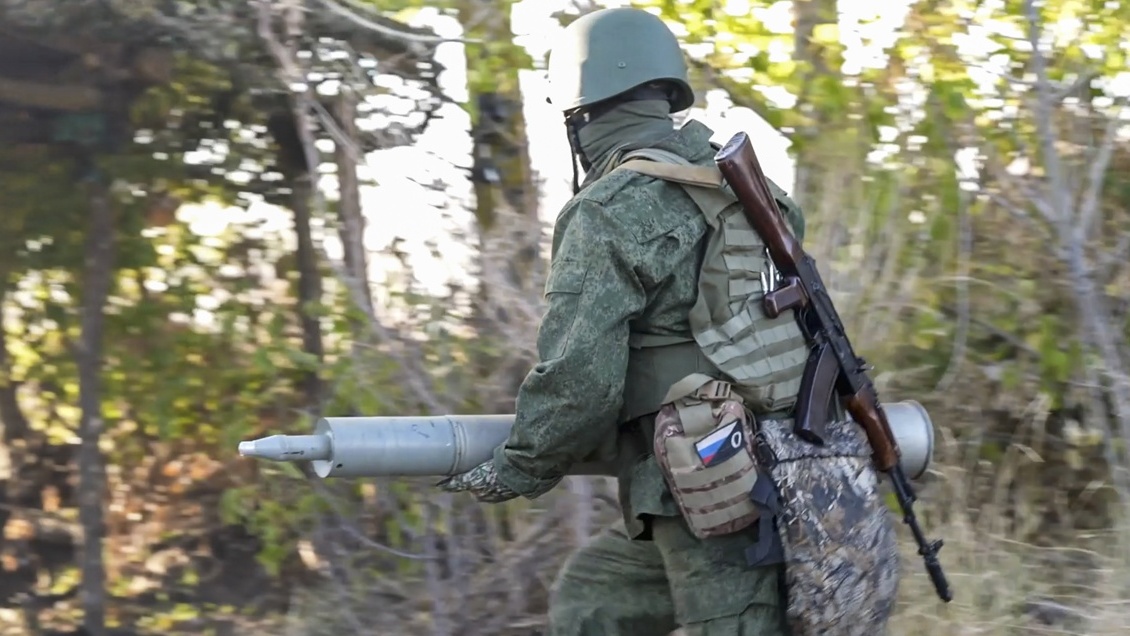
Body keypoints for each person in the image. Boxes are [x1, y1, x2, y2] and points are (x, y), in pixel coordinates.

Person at [439, 7, 812, 635]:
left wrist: (521, 465)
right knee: (595, 601)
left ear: (580, 115)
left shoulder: (608, 209)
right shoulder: (757, 192)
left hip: (711, 482)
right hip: (788, 455)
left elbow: (580, 379)